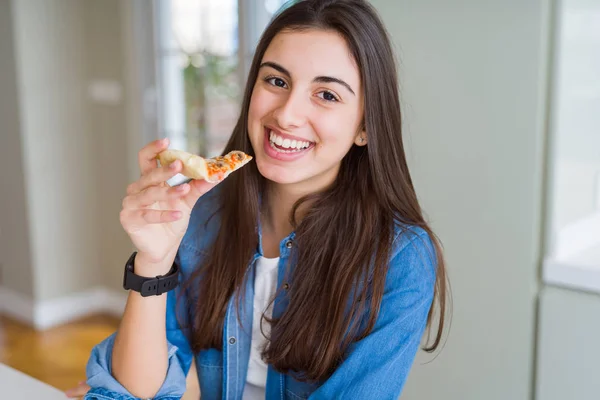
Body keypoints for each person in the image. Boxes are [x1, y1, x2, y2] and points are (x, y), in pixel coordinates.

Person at [65, 0, 448, 399]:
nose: (286, 115)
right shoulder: (202, 214)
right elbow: (132, 392)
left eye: (327, 95)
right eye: (277, 82)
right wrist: (153, 263)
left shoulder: (400, 258)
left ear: (365, 127)